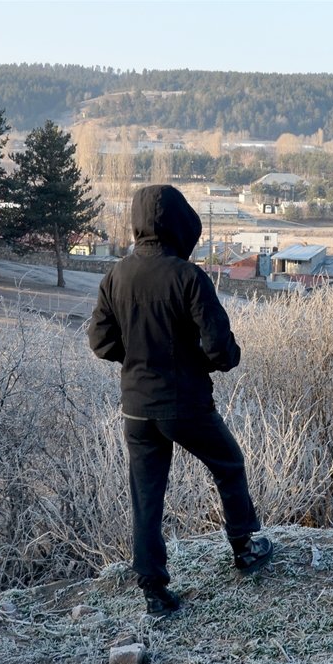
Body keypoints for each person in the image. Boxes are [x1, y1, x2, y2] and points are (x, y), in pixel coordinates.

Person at [88, 184, 273, 618]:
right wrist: (206, 362)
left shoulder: (116, 276)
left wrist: (137, 358)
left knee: (146, 496)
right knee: (228, 463)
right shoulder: (188, 277)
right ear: (179, 224)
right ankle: (244, 548)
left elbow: (100, 342)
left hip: (136, 408)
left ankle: (154, 591)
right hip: (185, 403)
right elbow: (219, 348)